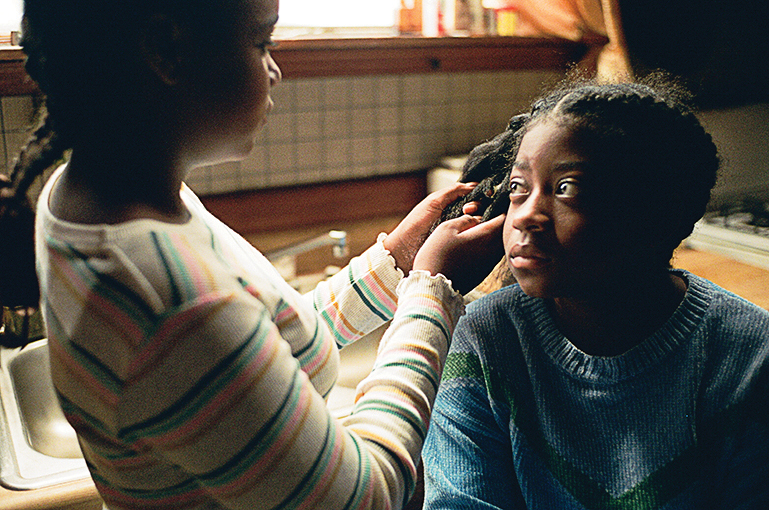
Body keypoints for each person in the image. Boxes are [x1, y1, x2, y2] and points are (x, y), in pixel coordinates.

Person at [16, 0, 506, 508]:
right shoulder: (172, 301)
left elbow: (269, 337)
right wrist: (430, 293)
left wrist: (397, 262)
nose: (275, 70)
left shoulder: (114, 197)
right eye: (261, 42)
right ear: (165, 50)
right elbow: (367, 497)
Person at [422, 76, 769, 509]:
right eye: (518, 188)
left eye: (568, 189)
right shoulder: (486, 339)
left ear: (655, 215)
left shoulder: (750, 355)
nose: (527, 215)